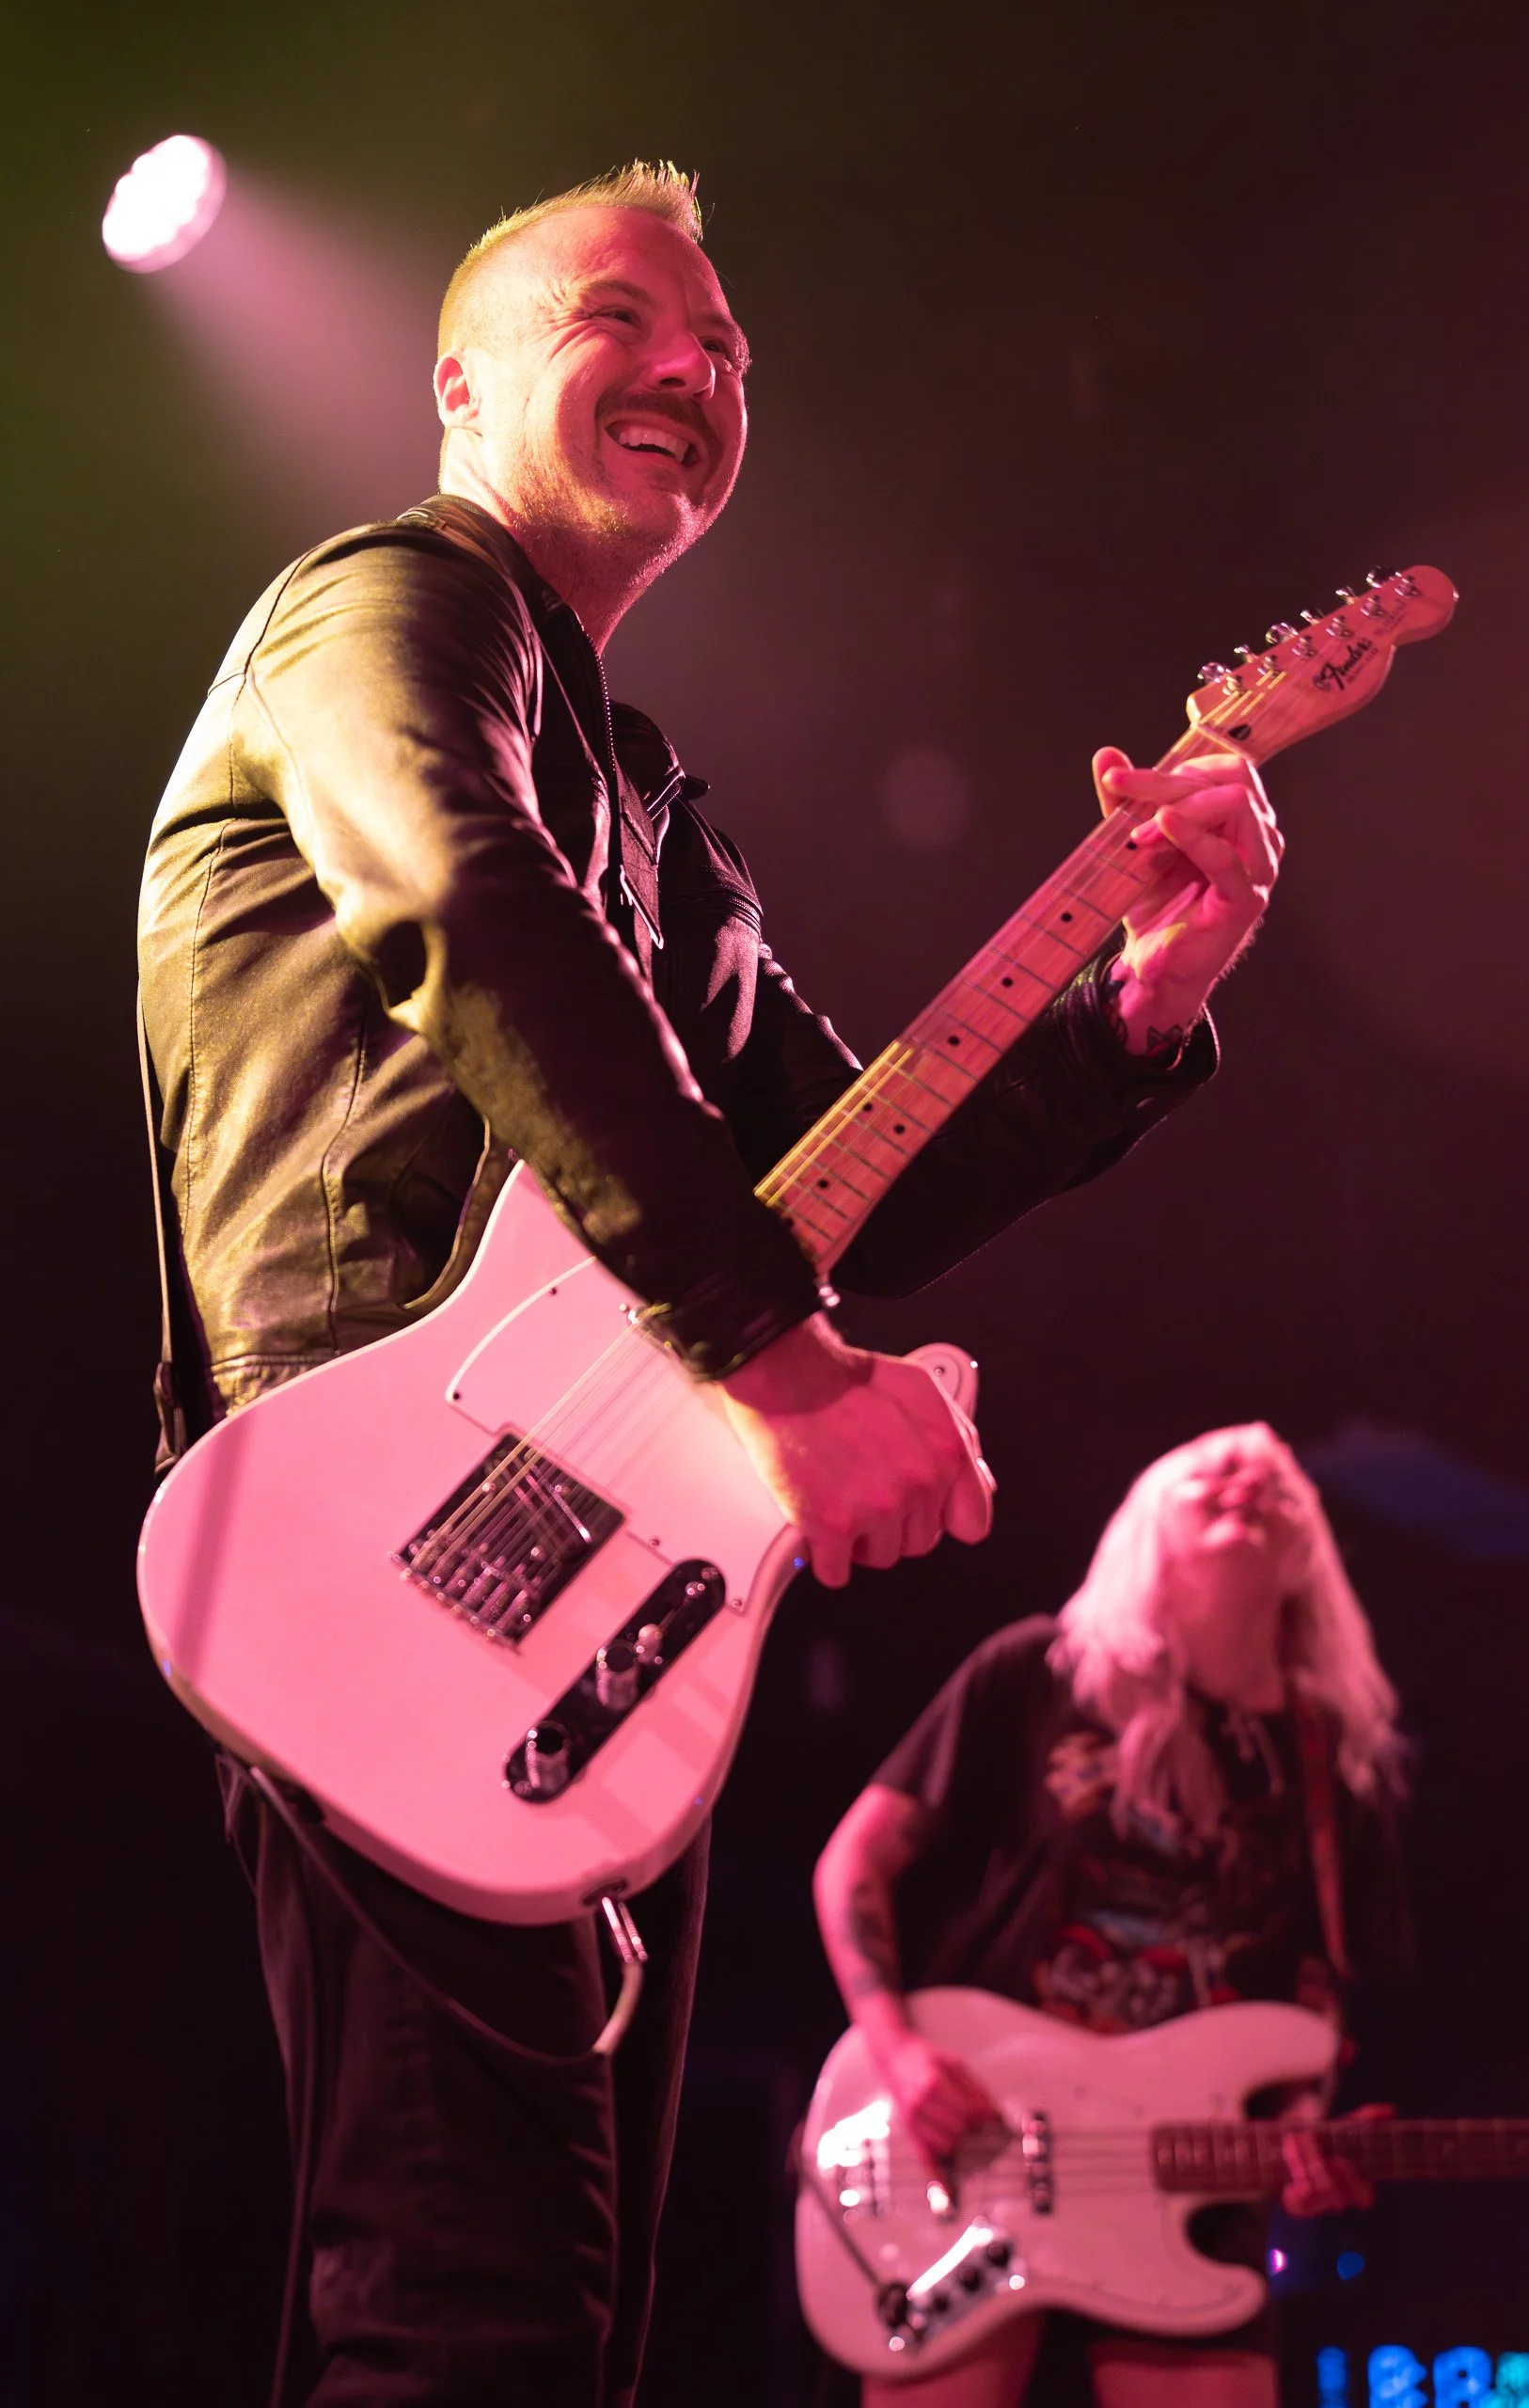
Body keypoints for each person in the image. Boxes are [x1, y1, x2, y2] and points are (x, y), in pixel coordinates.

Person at [138, 160, 1283, 2408]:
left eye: (730, 347)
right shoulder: (381, 606)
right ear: (458, 383)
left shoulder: (655, 801)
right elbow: (468, 907)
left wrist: (1138, 999)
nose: (693, 367)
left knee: (554, 2307)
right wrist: (779, 1353)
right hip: (382, 1523)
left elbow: (843, 1168)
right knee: (465, 2302)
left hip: (567, 1561)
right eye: (624, 320)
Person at [814, 1423, 1408, 2408]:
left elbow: (1320, 1987)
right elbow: (854, 1863)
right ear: (1146, 1521)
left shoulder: (1331, 1763)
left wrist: (1304, 2125)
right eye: (1213, 1468)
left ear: (1309, 1547)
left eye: (1275, 1480)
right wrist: (900, 2054)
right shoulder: (1040, 1671)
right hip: (980, 2136)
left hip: (1197, 2172)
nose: (1246, 1478)